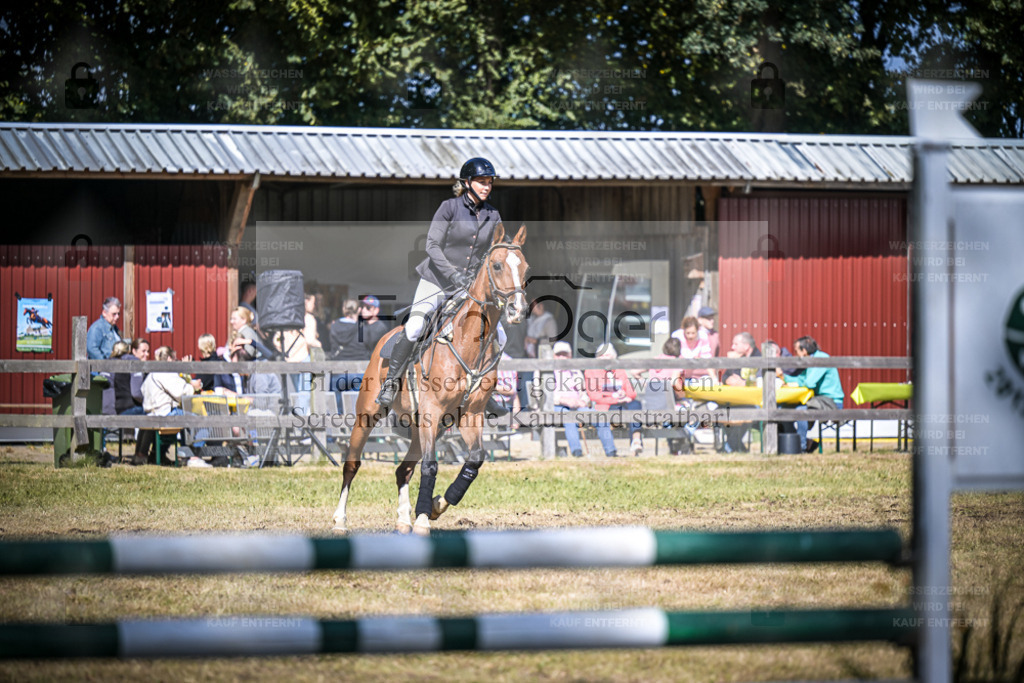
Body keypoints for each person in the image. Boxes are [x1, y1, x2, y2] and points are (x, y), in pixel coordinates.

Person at [377, 157, 506, 408]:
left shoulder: (493, 214)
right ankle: (391, 382)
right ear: (467, 182)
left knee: (498, 333)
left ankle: (484, 391)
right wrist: (453, 274)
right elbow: (432, 245)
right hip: (436, 281)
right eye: (481, 182)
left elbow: (498, 249)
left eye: (489, 182)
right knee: (415, 327)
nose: (487, 186)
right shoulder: (449, 207)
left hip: (469, 287)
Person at [140, 346, 206, 466]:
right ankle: (194, 457)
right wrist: (194, 387)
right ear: (170, 358)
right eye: (175, 360)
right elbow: (181, 392)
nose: (176, 363)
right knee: (201, 421)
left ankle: (159, 455)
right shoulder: (166, 372)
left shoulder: (153, 372)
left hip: (152, 413)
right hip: (165, 413)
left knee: (185, 418)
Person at [778, 335, 845, 453]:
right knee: (784, 409)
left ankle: (801, 447)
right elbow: (801, 379)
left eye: (796, 351)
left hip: (832, 401)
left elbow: (809, 383)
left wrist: (786, 378)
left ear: (804, 351)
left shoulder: (821, 359)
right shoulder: (813, 360)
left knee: (801, 411)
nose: (796, 355)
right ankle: (794, 443)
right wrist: (783, 376)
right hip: (819, 400)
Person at [552, 341, 617, 458]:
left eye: (565, 354)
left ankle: (611, 451)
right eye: (559, 354)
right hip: (556, 405)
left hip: (577, 405)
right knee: (569, 418)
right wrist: (563, 400)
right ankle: (577, 451)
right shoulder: (547, 371)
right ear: (553, 356)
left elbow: (583, 391)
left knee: (600, 417)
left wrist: (584, 400)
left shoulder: (575, 371)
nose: (562, 357)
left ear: (570, 355)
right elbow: (542, 395)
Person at [584, 343, 644, 456]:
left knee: (636, 405)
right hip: (606, 405)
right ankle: (613, 451)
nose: (605, 358)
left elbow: (632, 392)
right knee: (631, 410)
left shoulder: (619, 370)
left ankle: (636, 440)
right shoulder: (591, 371)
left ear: (613, 357)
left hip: (622, 404)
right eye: (602, 356)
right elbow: (594, 396)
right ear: (597, 358)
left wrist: (624, 394)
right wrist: (614, 398)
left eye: (608, 355)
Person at [720, 331, 761, 453]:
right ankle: (736, 445)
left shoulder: (759, 359)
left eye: (735, 344)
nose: (732, 347)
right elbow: (725, 376)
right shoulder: (740, 358)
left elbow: (760, 380)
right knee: (720, 409)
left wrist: (743, 383)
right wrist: (728, 379)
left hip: (755, 402)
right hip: (738, 400)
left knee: (746, 411)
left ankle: (730, 446)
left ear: (746, 346)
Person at [330, 299, 370, 403]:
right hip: (359, 370)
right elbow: (368, 345)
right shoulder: (363, 328)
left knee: (337, 410)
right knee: (356, 409)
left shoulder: (334, 326)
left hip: (338, 370)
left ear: (344, 309)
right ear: (359, 310)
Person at [673, 316, 718, 391]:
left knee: (709, 384)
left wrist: (714, 379)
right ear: (683, 330)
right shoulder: (677, 337)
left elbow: (707, 359)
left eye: (693, 333)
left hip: (698, 375)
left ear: (698, 330)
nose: (690, 336)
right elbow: (675, 360)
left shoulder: (703, 336)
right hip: (681, 375)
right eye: (688, 333)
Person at [87, 296, 122, 360]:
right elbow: (91, 349)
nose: (117, 317)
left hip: (116, 367)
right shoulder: (97, 328)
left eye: (118, 314)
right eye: (114, 314)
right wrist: (104, 364)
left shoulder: (115, 329)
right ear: (104, 313)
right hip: (103, 368)